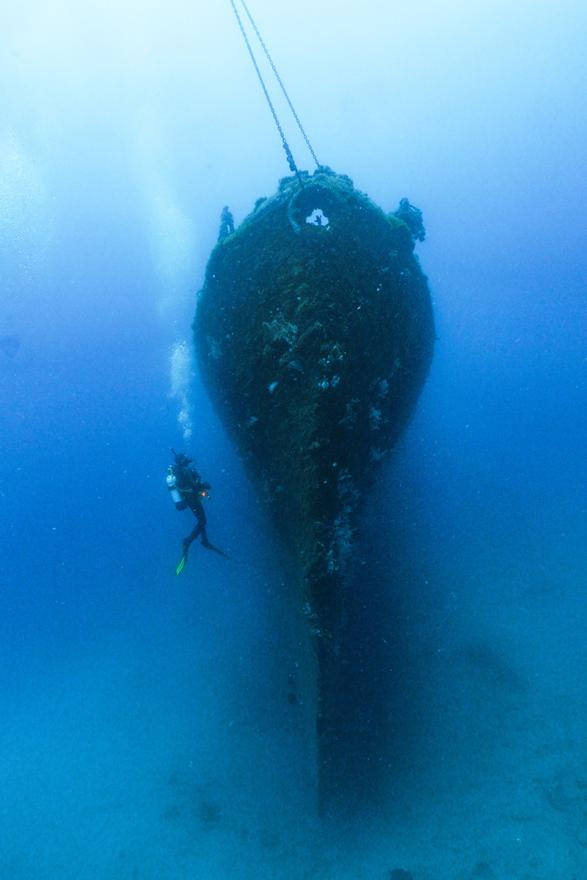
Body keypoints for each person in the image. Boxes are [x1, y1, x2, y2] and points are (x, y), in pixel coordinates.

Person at [167, 450, 228, 573]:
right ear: (183, 461)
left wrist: (201, 488)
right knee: (202, 521)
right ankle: (188, 541)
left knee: (201, 520)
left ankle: (204, 540)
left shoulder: (181, 471)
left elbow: (192, 486)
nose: (189, 460)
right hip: (191, 499)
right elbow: (194, 487)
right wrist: (204, 486)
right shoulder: (184, 472)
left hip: (190, 499)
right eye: (186, 459)